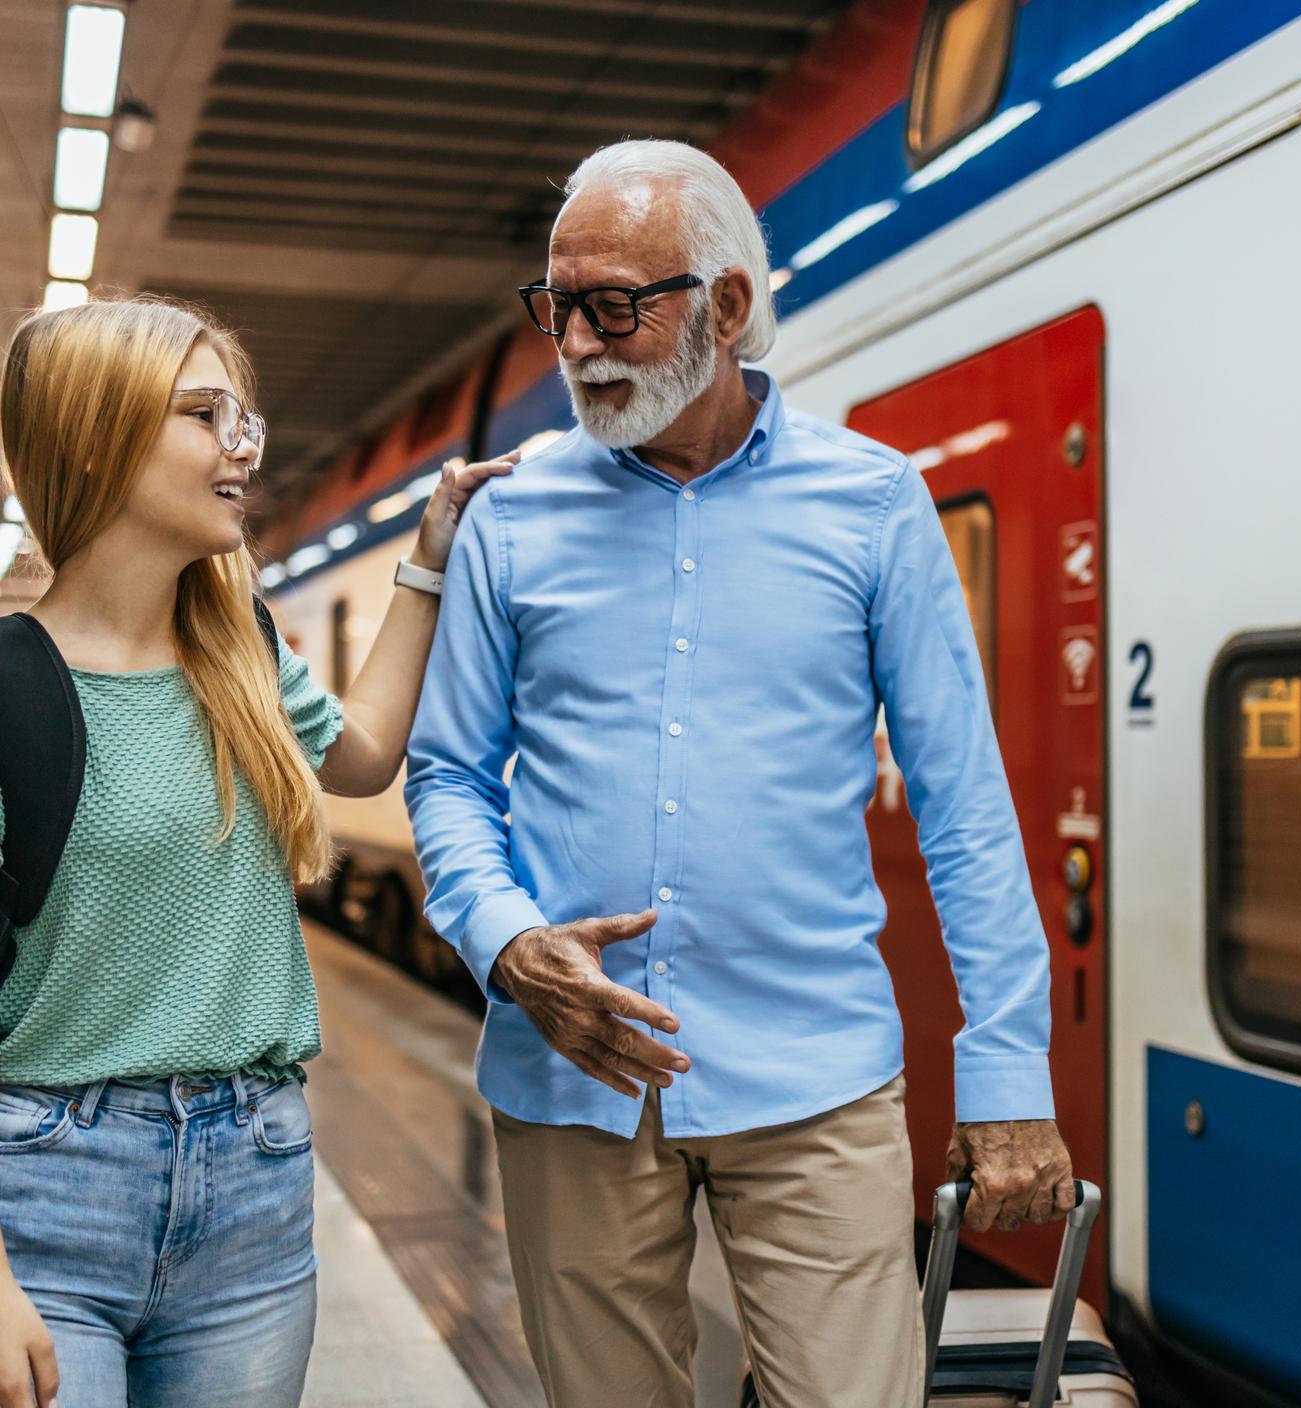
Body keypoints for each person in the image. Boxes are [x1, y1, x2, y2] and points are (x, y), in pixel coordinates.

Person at [405, 139, 1075, 1408]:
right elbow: (445, 777)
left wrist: (1008, 1078)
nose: (581, 347)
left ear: (724, 306)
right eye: (559, 310)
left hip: (811, 1074)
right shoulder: (511, 515)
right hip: (570, 1072)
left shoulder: (874, 506)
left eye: (616, 308)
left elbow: (965, 809)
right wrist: (507, 944)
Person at [0, 295, 511, 1408]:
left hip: (255, 1178)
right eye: (203, 413)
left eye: (245, 416)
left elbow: (366, 757)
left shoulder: (242, 652)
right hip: (42, 1193)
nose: (243, 441)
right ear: (95, 437)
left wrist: (424, 560)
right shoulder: (6, 685)